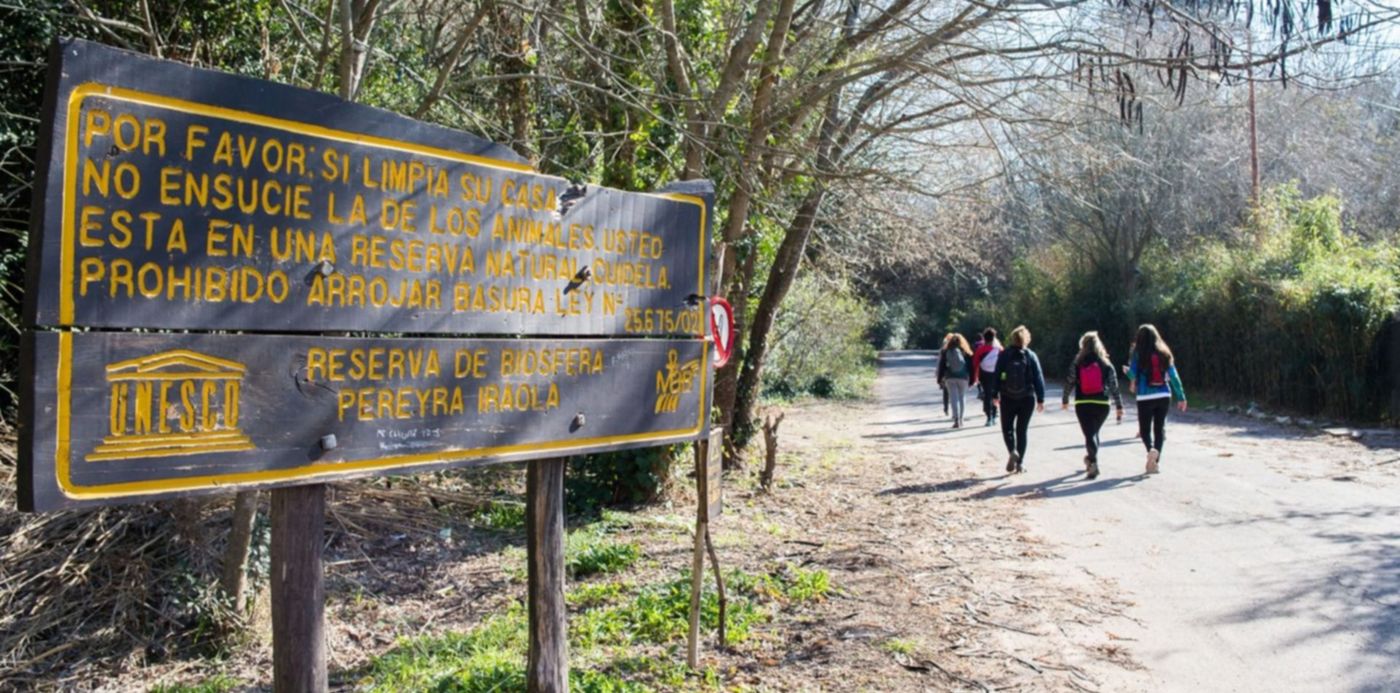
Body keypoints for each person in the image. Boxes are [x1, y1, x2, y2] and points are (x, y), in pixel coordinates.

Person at [1061, 331, 1124, 480]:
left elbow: (1070, 381)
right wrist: (1119, 405)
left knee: (1090, 434)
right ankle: (1091, 460)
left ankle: (1093, 462)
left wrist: (1065, 399)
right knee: (1093, 433)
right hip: (1102, 403)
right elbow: (1114, 386)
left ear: (1082, 345)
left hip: (1083, 403)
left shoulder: (1078, 363)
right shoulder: (1106, 363)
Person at [1127, 324, 1187, 474]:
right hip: (1163, 395)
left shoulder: (1138, 353)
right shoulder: (1164, 353)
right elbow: (1174, 376)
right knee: (1159, 429)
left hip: (1144, 396)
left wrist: (1128, 374)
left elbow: (1133, 373)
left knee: (1145, 430)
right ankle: (1155, 461)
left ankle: (1150, 450)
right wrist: (1181, 397)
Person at [990, 325, 1045, 474]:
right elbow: (1038, 377)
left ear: (1012, 338)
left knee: (1007, 429)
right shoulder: (1030, 355)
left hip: (1007, 397)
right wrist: (1040, 398)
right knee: (1022, 431)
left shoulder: (1005, 355)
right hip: (1027, 398)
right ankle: (1020, 464)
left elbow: (996, 375)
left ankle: (1012, 451)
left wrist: (994, 394)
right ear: (1026, 339)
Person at [937, 333, 975, 428]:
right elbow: (971, 367)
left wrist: (939, 378)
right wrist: (972, 380)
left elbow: (941, 366)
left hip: (950, 377)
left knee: (954, 398)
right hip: (963, 377)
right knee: (962, 397)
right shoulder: (967, 352)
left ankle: (956, 420)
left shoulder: (945, 351)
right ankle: (961, 420)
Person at [972, 328, 1003, 427]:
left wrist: (975, 377)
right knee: (995, 394)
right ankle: (994, 415)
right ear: (994, 338)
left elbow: (975, 363)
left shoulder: (980, 350)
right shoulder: (999, 349)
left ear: (984, 339)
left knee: (987, 395)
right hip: (997, 375)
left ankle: (989, 417)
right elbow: (1005, 363)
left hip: (984, 375)